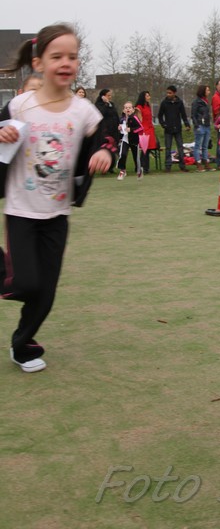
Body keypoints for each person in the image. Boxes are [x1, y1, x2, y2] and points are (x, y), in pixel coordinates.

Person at [0, 23, 115, 373]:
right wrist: (1, 133)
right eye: (57, 56)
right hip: (21, 211)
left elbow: (105, 136)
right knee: (26, 283)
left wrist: (105, 152)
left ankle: (22, 346)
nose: (66, 63)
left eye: (73, 57)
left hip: (57, 215)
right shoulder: (19, 106)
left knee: (45, 294)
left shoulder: (83, 111)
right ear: (38, 63)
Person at [157, 85, 191, 173]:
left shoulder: (179, 102)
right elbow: (160, 115)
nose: (168, 94)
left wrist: (187, 124)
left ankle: (182, 166)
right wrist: (163, 124)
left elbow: (183, 114)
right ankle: (168, 166)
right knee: (168, 147)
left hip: (178, 128)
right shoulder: (164, 103)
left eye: (170, 93)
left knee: (180, 147)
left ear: (174, 93)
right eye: (167, 93)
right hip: (168, 129)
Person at [117, 101, 144, 180]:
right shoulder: (122, 119)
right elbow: (121, 128)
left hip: (134, 140)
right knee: (123, 154)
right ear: (123, 110)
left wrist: (131, 129)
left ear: (133, 109)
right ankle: (122, 170)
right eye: (126, 108)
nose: (128, 109)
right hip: (125, 139)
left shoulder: (134, 118)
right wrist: (119, 128)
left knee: (136, 157)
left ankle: (139, 171)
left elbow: (141, 128)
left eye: (129, 108)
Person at [94, 89, 119, 172]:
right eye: (108, 95)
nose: (110, 97)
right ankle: (105, 167)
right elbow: (101, 114)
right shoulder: (99, 105)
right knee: (106, 148)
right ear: (103, 96)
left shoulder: (112, 104)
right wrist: (106, 104)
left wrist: (118, 124)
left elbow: (115, 114)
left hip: (113, 130)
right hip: (104, 131)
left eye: (110, 95)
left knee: (112, 149)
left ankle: (111, 166)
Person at [191, 84, 215, 172]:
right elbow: (193, 115)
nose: (209, 92)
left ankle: (206, 162)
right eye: (207, 90)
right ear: (203, 91)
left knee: (205, 146)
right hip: (200, 125)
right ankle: (198, 163)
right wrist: (196, 125)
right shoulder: (196, 102)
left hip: (206, 125)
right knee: (198, 146)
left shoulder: (206, 101)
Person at [134, 91, 158, 174]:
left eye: (149, 95)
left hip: (150, 129)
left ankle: (145, 167)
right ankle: (143, 167)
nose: (149, 97)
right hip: (144, 130)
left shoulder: (148, 106)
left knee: (148, 149)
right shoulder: (139, 107)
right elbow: (138, 120)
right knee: (145, 149)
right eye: (147, 96)